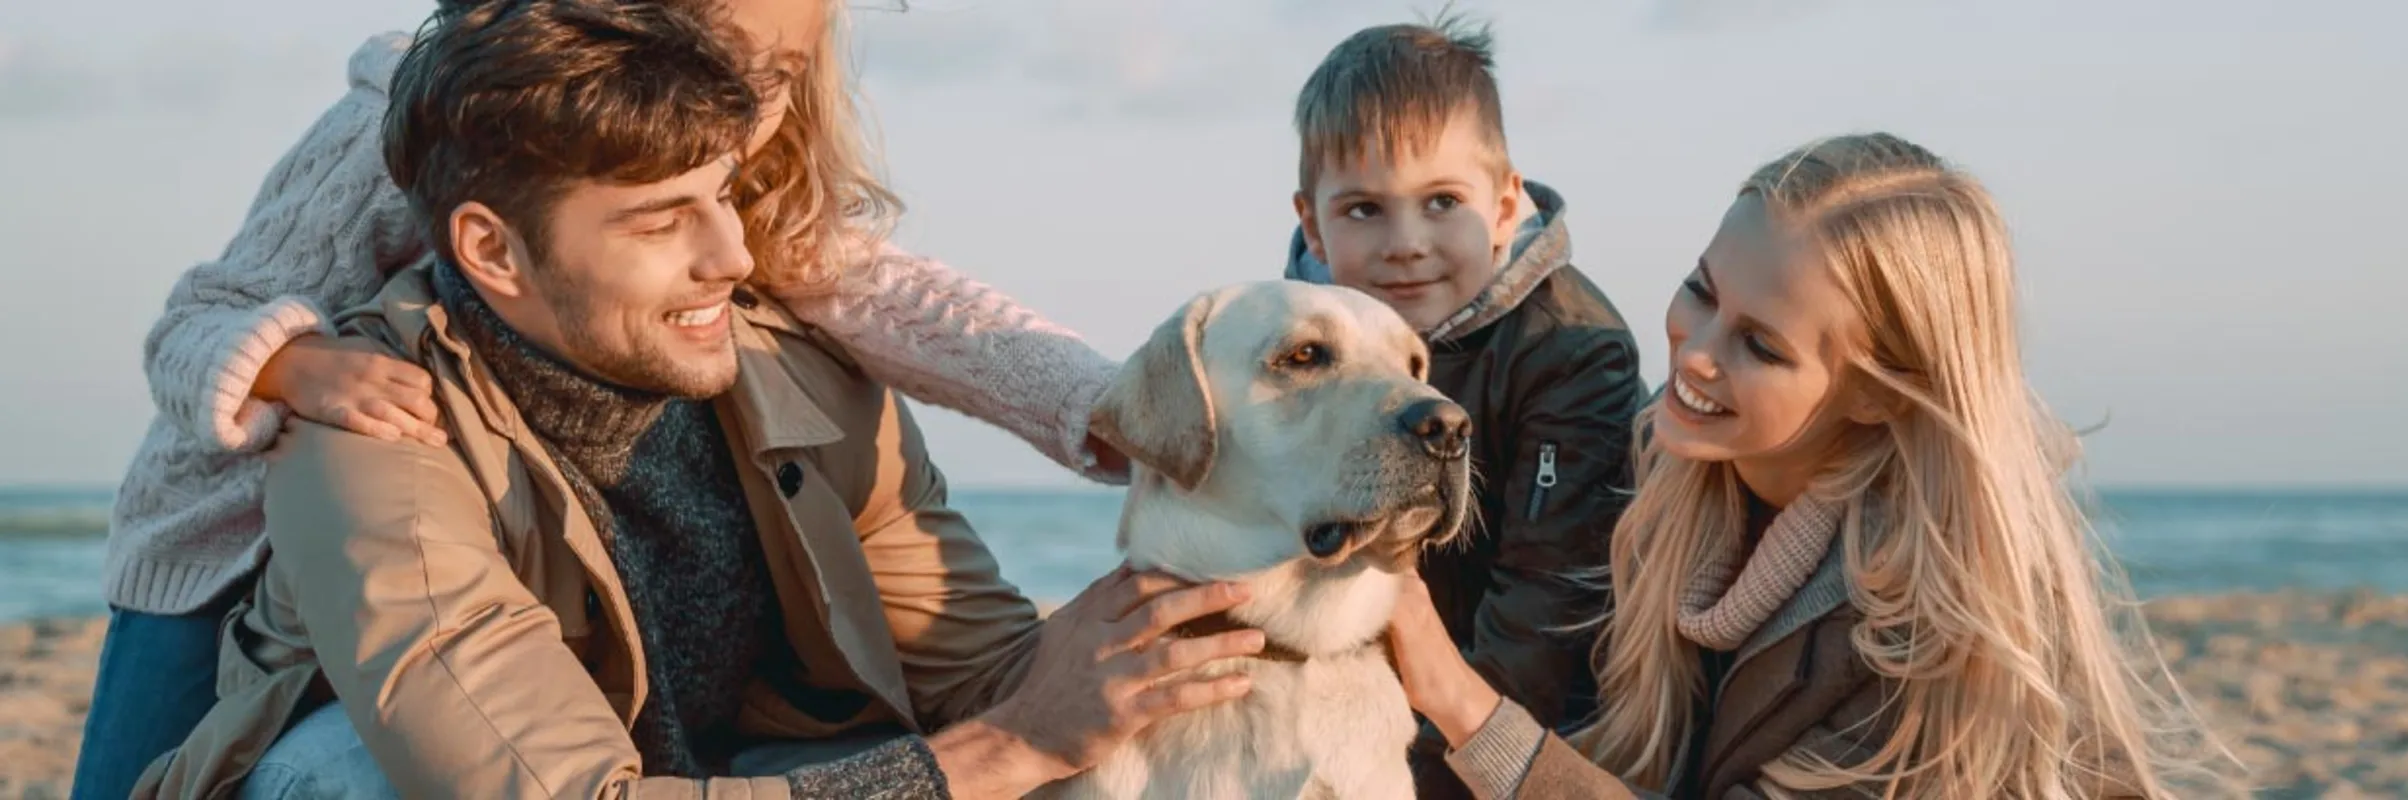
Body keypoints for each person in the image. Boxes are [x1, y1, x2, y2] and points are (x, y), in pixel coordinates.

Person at [133, 3, 1257, 797]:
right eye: (664, 217)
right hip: (211, 537)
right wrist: (1000, 752)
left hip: (673, 742)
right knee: (339, 770)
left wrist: (1150, 528)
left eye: (723, 191)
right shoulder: (375, 413)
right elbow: (201, 321)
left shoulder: (784, 346)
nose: (734, 252)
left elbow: (921, 320)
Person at [1386, 133, 2245, 798]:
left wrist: (1461, 704)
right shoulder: (1664, 473)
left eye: (1760, 344)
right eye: (1702, 291)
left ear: (1880, 394)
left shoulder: (1922, 636)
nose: (1695, 357)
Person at [1279, 15, 1647, 796]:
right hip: (1366, 709)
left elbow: (1548, 620)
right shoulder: (1292, 340)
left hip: (1532, 725)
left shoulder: (1574, 354)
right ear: (1312, 220)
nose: (1406, 242)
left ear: (1506, 206)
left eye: (1442, 201)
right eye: (1363, 210)